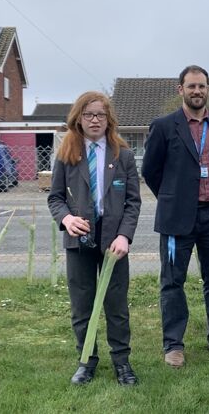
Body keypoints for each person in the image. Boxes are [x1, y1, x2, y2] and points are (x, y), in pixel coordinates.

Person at [141, 65, 209, 368]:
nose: (197, 91)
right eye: (191, 86)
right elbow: (151, 171)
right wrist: (172, 197)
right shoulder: (164, 125)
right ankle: (173, 344)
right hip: (175, 220)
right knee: (172, 282)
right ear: (180, 89)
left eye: (202, 86)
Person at [47, 91, 141, 386]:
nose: (95, 120)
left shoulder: (122, 156)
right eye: (89, 114)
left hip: (114, 244)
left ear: (108, 119)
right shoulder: (66, 155)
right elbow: (55, 198)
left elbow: (133, 202)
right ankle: (86, 361)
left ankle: (122, 363)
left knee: (116, 305)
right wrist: (66, 218)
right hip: (79, 243)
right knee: (82, 306)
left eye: (100, 114)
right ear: (78, 119)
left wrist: (125, 236)